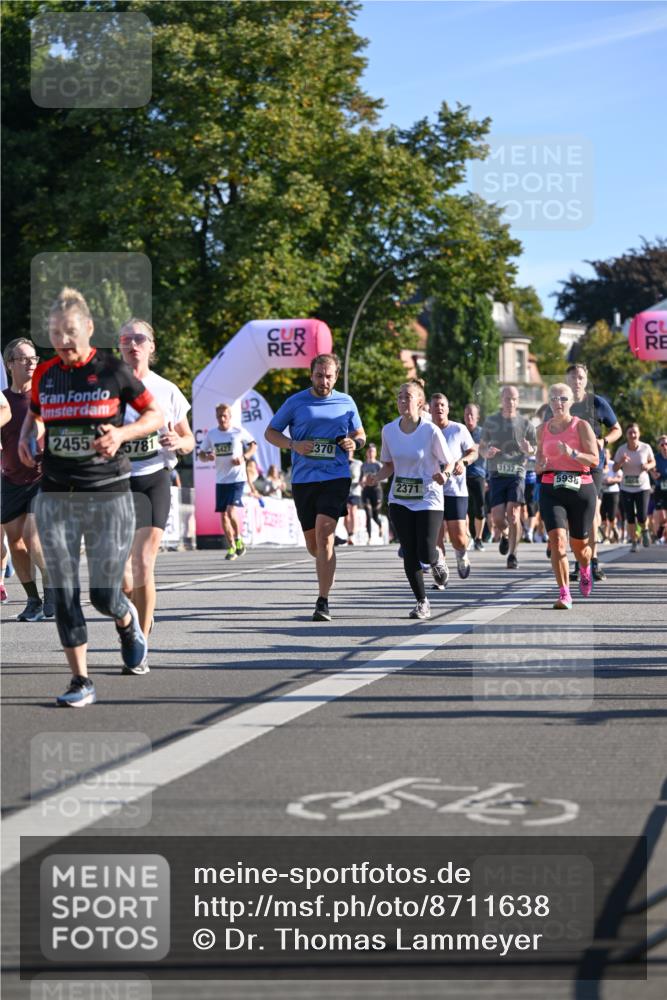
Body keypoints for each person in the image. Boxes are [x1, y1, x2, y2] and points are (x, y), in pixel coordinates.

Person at [18, 287, 163, 706]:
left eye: (71, 332)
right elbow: (35, 416)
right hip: (57, 492)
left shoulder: (114, 370)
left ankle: (124, 618)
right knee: (63, 589)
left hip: (108, 494)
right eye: (55, 333)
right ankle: (80, 680)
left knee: (102, 593)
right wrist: (31, 437)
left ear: (89, 329)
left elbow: (153, 415)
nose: (63, 341)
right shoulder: (46, 374)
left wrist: (121, 432)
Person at [265, 352, 365, 622]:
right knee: (314, 545)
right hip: (303, 479)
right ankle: (324, 559)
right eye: (319, 376)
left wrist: (354, 443)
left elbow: (360, 434)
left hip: (335, 476)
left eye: (329, 376)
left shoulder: (346, 402)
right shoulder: (296, 402)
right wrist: (293, 445)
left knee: (325, 535)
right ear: (311, 375)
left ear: (336, 376)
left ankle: (323, 601)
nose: (324, 381)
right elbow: (270, 432)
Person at [118, 319, 194, 642]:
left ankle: (140, 641)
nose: (133, 344)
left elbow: (189, 440)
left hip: (154, 479)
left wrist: (178, 443)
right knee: (119, 576)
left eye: (140, 339)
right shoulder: (105, 388)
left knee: (144, 562)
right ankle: (138, 611)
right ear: (119, 347)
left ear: (151, 347)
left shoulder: (167, 390)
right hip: (116, 482)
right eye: (126, 339)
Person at [366, 380, 452, 619]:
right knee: (409, 551)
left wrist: (444, 474)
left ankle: (436, 559)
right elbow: (389, 465)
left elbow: (450, 461)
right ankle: (422, 601)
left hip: (428, 497)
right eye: (400, 396)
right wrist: (376, 477)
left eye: (408, 396)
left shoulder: (430, 430)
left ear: (420, 402)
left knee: (425, 552)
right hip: (400, 498)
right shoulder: (389, 430)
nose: (403, 400)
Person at [1, 338, 54, 621]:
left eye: (33, 358)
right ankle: (33, 599)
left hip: (41, 478)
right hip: (10, 480)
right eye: (23, 358)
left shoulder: (45, 398)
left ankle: (52, 593)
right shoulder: (2, 401)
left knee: (34, 540)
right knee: (16, 544)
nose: (31, 362)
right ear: (9, 364)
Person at [535, 383, 599, 610]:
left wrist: (573, 453)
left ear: (571, 402)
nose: (557, 403)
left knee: (579, 547)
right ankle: (564, 594)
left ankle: (585, 567)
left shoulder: (580, 426)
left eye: (562, 398)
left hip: (580, 488)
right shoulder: (541, 430)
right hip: (551, 488)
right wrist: (539, 466)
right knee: (557, 542)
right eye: (553, 398)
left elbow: (594, 459)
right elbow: (538, 464)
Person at [557, 364, 622, 582]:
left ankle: (592, 560)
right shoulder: (561, 402)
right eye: (573, 377)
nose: (577, 381)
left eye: (581, 377)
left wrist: (604, 441)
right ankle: (580, 560)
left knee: (592, 512)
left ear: (586, 380)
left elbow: (617, 429)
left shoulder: (597, 403)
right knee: (571, 514)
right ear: (567, 380)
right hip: (568, 464)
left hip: (592, 463)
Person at [480, 385, 537, 569]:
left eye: (513, 399)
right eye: (507, 399)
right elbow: (481, 446)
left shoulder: (526, 424)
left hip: (517, 472)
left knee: (513, 515)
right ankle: (504, 534)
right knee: (497, 518)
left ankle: (512, 555)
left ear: (518, 401)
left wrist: (529, 449)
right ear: (501, 400)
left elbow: (535, 448)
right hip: (497, 473)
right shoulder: (491, 422)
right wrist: (486, 452)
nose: (510, 402)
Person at [199, 403, 256, 560]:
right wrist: (207, 457)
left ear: (230, 417)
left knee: (231, 511)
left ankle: (238, 540)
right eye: (219, 416)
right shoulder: (212, 434)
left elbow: (253, 445)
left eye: (225, 416)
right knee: (223, 515)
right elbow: (201, 455)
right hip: (221, 479)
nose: (222, 419)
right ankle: (231, 547)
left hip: (237, 477)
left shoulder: (238, 431)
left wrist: (244, 457)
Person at [430, 393, 477, 582]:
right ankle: (440, 573)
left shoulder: (459, 429)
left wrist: (463, 462)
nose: (439, 408)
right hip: (432, 491)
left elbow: (473, 452)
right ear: (429, 409)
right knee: (436, 536)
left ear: (448, 409)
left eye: (442, 405)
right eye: (435, 406)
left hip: (455, 490)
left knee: (458, 537)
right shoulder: (426, 430)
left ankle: (461, 554)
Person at [613, 423, 656, 551]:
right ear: (626, 435)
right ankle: (634, 542)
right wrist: (621, 462)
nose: (633, 435)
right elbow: (615, 468)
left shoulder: (645, 447)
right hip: (626, 487)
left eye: (635, 432)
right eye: (630, 432)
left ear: (639, 434)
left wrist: (648, 466)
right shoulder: (621, 449)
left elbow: (652, 461)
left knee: (642, 516)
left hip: (642, 486)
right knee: (630, 516)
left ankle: (645, 530)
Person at [463, 403, 486, 551]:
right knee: (462, 508)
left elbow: (490, 454)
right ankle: (467, 536)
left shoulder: (484, 433)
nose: (469, 417)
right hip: (461, 474)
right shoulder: (460, 431)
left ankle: (478, 538)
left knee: (480, 509)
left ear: (477, 417)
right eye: (466, 414)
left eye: (472, 414)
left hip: (478, 474)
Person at [361, 443, 383, 544]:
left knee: (375, 515)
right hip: (366, 491)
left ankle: (380, 525)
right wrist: (362, 482)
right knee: (368, 514)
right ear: (366, 453)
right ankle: (369, 537)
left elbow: (385, 479)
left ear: (375, 453)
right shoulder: (363, 465)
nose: (370, 453)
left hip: (376, 491)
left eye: (372, 451)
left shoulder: (378, 465)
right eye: (369, 451)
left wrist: (374, 478)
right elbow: (360, 479)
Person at [600, 448, 622, 543]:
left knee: (612, 516)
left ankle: (614, 528)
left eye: (606, 453)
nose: (604, 455)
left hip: (613, 492)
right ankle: (606, 536)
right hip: (602, 493)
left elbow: (620, 478)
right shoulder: (598, 464)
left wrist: (611, 480)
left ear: (610, 455)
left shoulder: (613, 464)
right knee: (603, 516)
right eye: (603, 453)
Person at [651, 435, 667, 543]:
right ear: (659, 446)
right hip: (660, 488)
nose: (665, 446)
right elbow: (651, 469)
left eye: (666, 444)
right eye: (662, 444)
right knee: (661, 515)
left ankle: (661, 533)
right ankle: (660, 531)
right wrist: (654, 474)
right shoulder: (655, 458)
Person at [344, 452, 363, 544]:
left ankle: (353, 535)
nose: (348, 453)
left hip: (355, 491)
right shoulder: (341, 462)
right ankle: (349, 534)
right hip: (344, 491)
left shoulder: (358, 463)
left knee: (353, 512)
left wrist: (362, 482)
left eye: (350, 451)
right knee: (346, 514)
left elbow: (363, 475)